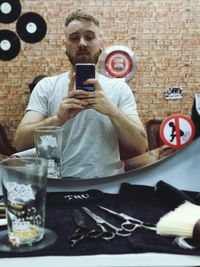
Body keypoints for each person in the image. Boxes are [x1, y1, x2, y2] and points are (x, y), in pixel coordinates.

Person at [14, 10, 148, 178]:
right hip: (58, 186)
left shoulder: (120, 89)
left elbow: (140, 146)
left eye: (90, 37)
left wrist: (111, 111)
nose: (82, 43)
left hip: (106, 186)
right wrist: (59, 118)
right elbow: (20, 143)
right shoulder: (46, 86)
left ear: (100, 43)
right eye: (74, 38)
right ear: (65, 45)